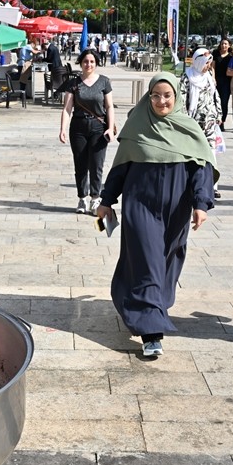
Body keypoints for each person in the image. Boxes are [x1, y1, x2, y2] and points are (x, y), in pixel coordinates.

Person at [94, 72, 217, 359]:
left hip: (177, 209)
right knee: (147, 262)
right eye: (155, 95)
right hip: (140, 205)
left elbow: (201, 171)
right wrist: (106, 201)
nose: (161, 101)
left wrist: (201, 204)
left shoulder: (189, 129)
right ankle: (151, 333)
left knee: (168, 260)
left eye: (167, 95)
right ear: (148, 97)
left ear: (176, 97)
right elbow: (120, 168)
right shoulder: (137, 126)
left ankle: (150, 305)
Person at [59, 48, 116, 214]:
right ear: (81, 63)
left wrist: (110, 128)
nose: (88, 64)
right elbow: (67, 108)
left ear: (96, 63)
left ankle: (95, 198)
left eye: (92, 61)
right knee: (80, 164)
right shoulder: (73, 83)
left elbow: (109, 106)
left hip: (99, 127)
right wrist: (62, 129)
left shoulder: (104, 81)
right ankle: (82, 198)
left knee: (97, 165)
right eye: (85, 61)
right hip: (78, 127)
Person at [182, 48, 223, 198]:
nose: (208, 66)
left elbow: (215, 95)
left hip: (209, 121)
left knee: (211, 152)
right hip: (193, 121)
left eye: (209, 63)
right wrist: (184, 118)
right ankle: (193, 183)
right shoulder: (187, 77)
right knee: (193, 153)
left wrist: (219, 113)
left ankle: (212, 185)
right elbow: (182, 99)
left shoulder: (208, 76)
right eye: (206, 63)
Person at [212, 38, 233, 127]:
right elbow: (213, 67)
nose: (223, 45)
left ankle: (222, 121)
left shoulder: (231, 56)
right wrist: (213, 78)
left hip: (226, 82)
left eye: (225, 44)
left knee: (224, 102)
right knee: (215, 101)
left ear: (229, 45)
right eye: (222, 44)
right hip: (216, 80)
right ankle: (215, 120)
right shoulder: (216, 53)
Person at [45, 36, 63, 101]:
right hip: (58, 65)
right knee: (58, 81)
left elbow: (49, 59)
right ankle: (56, 94)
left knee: (55, 81)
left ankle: (56, 94)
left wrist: (42, 59)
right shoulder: (54, 47)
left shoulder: (50, 49)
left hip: (54, 66)